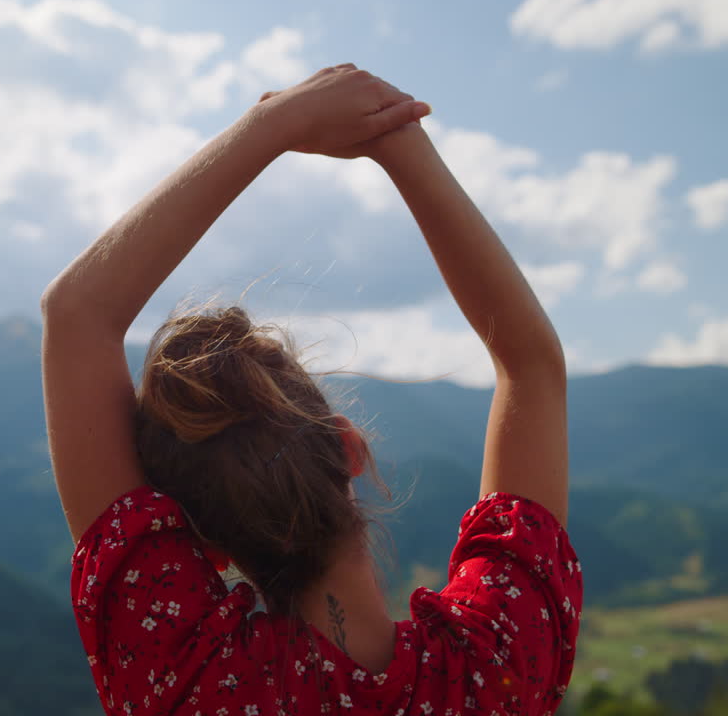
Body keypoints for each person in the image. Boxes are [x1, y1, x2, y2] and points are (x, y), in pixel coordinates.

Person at [41, 64, 581, 716]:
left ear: (202, 543)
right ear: (350, 448)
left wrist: (269, 127)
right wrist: (394, 134)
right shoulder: (497, 665)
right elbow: (531, 366)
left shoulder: (183, 675)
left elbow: (76, 318)